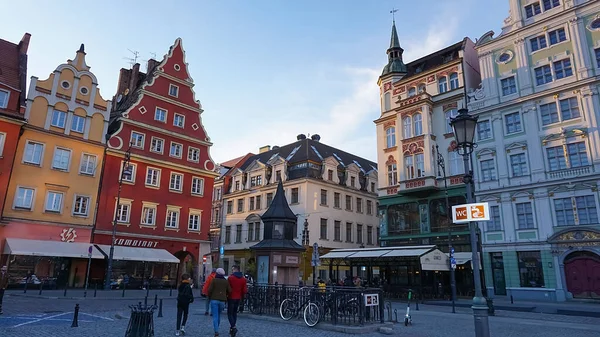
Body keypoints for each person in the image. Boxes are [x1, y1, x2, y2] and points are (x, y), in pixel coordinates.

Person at [208, 268, 231, 337]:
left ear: (217, 273)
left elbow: (209, 290)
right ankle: (216, 328)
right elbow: (229, 290)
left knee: (215, 316)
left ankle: (216, 331)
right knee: (218, 315)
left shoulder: (214, 280)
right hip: (222, 300)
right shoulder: (225, 281)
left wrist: (210, 296)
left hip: (214, 299)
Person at [227, 265, 247, 337]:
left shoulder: (230, 278)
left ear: (235, 270)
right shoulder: (243, 279)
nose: (232, 271)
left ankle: (233, 327)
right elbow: (244, 290)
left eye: (232, 269)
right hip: (238, 298)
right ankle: (232, 328)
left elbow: (228, 288)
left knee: (230, 313)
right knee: (234, 313)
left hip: (231, 297)